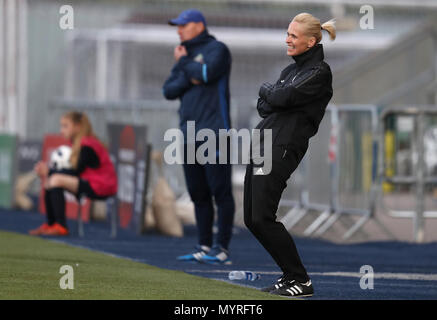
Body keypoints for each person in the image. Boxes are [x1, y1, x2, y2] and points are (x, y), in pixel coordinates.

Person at [244, 13, 336, 297]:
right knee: (251, 218)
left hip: (280, 148)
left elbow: (279, 98)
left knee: (262, 216)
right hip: (263, 144)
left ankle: (300, 279)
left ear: (311, 41)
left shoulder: (319, 72)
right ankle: (289, 276)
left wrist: (269, 91)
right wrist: (275, 94)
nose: (287, 39)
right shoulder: (290, 72)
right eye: (287, 34)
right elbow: (264, 106)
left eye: (293, 36)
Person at [162, 9, 235, 264]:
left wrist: (187, 67)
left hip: (215, 133)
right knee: (198, 193)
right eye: (177, 26)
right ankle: (203, 246)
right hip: (188, 134)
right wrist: (189, 73)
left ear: (198, 25)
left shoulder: (217, 49)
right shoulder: (186, 55)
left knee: (220, 192)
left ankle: (222, 248)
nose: (179, 30)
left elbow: (205, 74)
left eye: (183, 25)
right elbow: (168, 90)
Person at [29, 111, 117, 236]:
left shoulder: (88, 145)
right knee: (50, 180)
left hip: (102, 186)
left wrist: (49, 170)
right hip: (91, 183)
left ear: (77, 127)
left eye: (65, 126)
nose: (61, 130)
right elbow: (74, 172)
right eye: (61, 126)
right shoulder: (78, 143)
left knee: (55, 179)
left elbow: (75, 172)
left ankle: (61, 226)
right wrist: (50, 172)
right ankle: (51, 224)